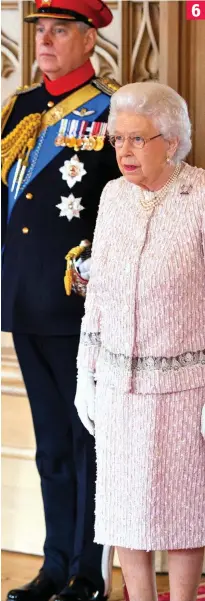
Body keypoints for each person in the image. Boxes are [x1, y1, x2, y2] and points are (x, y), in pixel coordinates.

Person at [1, 2, 120, 600]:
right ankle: (53, 566)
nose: (45, 41)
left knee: (86, 440)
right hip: (24, 298)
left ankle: (86, 571)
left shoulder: (114, 107)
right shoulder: (22, 108)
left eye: (60, 31)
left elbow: (119, 207)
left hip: (80, 302)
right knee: (51, 441)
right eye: (41, 30)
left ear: (89, 37)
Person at [75, 81, 205, 601]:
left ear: (170, 142)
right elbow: (98, 294)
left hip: (183, 389)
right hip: (118, 388)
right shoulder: (112, 197)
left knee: (182, 511)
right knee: (124, 511)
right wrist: (87, 374)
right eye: (117, 140)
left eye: (136, 140)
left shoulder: (200, 198)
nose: (123, 152)